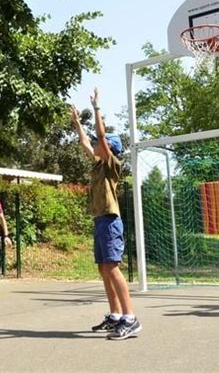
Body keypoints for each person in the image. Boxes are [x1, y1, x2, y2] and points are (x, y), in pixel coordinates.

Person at [70, 88, 142, 340]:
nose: (96, 144)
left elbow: (100, 135)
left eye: (101, 143)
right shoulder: (98, 164)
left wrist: (97, 107)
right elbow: (85, 143)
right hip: (100, 220)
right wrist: (78, 123)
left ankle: (130, 317)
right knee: (103, 268)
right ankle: (114, 316)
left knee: (112, 267)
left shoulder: (112, 165)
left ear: (108, 147)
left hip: (111, 221)